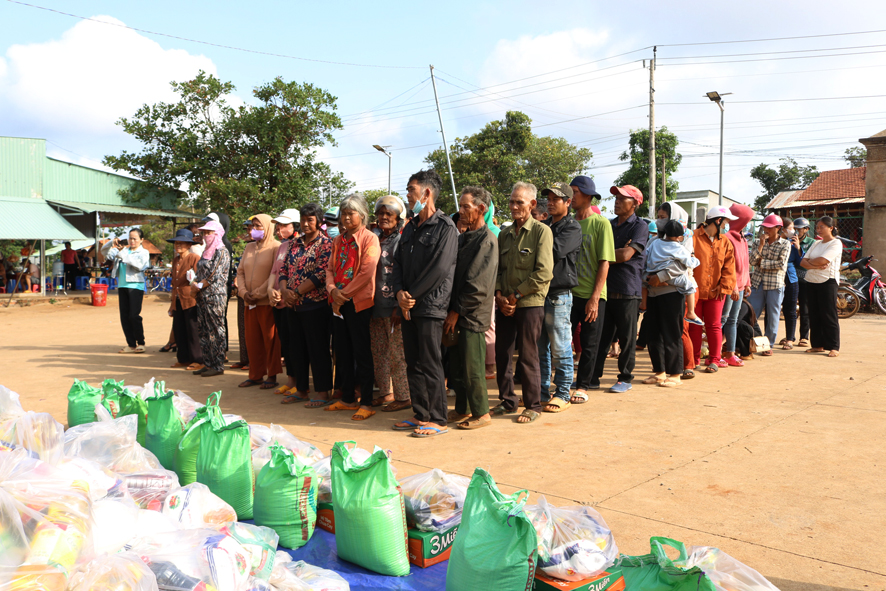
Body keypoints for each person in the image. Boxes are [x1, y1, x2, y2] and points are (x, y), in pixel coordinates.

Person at [393, 170, 459, 437]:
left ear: (426, 192)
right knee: (413, 361)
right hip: (408, 305)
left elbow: (439, 269)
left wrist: (411, 297)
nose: (408, 196)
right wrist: (399, 293)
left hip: (430, 306)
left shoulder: (446, 228)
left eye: (411, 190)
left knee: (431, 361)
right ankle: (420, 413)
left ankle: (438, 418)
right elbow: (396, 263)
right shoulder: (409, 227)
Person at [493, 181, 553, 425]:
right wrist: (499, 295)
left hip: (529, 304)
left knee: (528, 355)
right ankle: (508, 401)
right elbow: (497, 269)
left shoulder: (541, 232)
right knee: (502, 354)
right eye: (511, 201)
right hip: (505, 303)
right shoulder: (505, 234)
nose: (514, 206)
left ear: (532, 204)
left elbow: (544, 272)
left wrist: (515, 296)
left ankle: (533, 404)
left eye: (520, 202)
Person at [323, 194, 381, 421]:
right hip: (338, 303)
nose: (346, 218)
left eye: (351, 213)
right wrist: (332, 291)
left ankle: (366, 401)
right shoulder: (338, 241)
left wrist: (343, 295)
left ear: (362, 215)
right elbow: (329, 269)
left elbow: (367, 271)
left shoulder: (370, 239)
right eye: (344, 214)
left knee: (362, 353)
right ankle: (347, 398)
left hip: (358, 304)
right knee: (342, 352)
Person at [445, 186, 498, 430]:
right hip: (456, 313)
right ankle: (463, 410)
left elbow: (478, 286)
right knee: (457, 366)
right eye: (461, 206)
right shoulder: (464, 237)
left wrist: (456, 311)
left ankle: (482, 412)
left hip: (472, 315)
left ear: (482, 209)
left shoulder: (487, 240)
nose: (461, 211)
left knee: (473, 367)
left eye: (466, 206)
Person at [591, 185, 650, 393]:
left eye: (622, 198)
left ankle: (625, 378)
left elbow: (626, 255)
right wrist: (617, 252)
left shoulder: (640, 227)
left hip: (628, 290)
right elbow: (596, 253)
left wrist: (604, 256)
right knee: (601, 338)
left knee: (626, 338)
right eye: (615, 197)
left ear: (635, 204)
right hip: (606, 290)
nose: (616, 201)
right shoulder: (608, 224)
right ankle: (592, 377)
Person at [276, 203, 335, 407]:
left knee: (317, 350)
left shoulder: (326, 244)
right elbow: (283, 269)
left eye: (310, 219)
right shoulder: (294, 244)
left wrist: (298, 292)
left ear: (319, 222)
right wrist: (284, 291)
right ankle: (300, 389)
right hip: (293, 305)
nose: (306, 223)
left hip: (315, 306)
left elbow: (321, 273)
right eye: (303, 219)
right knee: (296, 349)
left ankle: (322, 392)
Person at [568, 175, 614, 404]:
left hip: (592, 295)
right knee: (562, 340)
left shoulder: (601, 223)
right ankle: (565, 382)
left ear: (587, 196)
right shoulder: (568, 222)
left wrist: (595, 297)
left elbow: (604, 261)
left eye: (574, 192)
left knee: (589, 342)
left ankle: (583, 385)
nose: (571, 196)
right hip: (569, 293)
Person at [535, 183, 580, 412]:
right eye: (549, 198)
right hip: (540, 293)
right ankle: (543, 392)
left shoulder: (572, 228)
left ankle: (562, 392)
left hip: (559, 295)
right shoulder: (543, 225)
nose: (551, 202)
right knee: (540, 347)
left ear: (568, 202)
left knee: (561, 347)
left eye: (556, 199)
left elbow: (552, 252)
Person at [369, 196, 412, 412]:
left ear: (399, 218)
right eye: (380, 213)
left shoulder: (402, 241)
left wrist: (398, 305)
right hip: (375, 306)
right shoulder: (374, 240)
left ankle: (404, 396)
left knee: (397, 355)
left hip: (393, 307)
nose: (384, 217)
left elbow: (405, 274)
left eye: (389, 214)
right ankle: (386, 392)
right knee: (379, 352)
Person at [687, 206, 737, 372]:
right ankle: (693, 360)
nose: (727, 226)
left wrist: (723, 287)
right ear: (718, 220)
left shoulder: (725, 243)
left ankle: (714, 359)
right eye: (726, 222)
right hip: (693, 292)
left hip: (716, 292)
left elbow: (729, 268)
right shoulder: (692, 237)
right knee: (693, 326)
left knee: (714, 326)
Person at [235, 214, 282, 389]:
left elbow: (275, 273)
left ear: (268, 227)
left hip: (266, 302)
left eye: (258, 226)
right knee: (252, 340)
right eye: (253, 226)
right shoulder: (248, 247)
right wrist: (243, 292)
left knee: (270, 339)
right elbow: (240, 272)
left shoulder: (276, 247)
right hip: (249, 302)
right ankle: (255, 375)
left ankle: (272, 375)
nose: (254, 229)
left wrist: (258, 293)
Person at [266, 209, 301, 396]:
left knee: (296, 344)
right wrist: (270, 290)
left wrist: (284, 292)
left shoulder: (300, 245)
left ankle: (300, 382)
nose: (279, 229)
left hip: (292, 301)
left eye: (284, 225)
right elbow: (274, 272)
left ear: (295, 226)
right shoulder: (282, 247)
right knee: (285, 343)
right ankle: (290, 380)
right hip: (278, 302)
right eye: (278, 225)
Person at [191, 220, 231, 377]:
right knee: (204, 330)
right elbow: (201, 272)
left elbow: (214, 275)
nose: (206, 235)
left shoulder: (221, 251)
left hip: (215, 297)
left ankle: (218, 364)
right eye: (204, 233)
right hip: (202, 296)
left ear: (217, 233)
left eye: (209, 232)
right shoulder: (206, 251)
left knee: (216, 329)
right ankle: (208, 363)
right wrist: (194, 282)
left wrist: (199, 285)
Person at [748, 214, 791, 352]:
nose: (766, 230)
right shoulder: (757, 242)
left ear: (778, 228)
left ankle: (768, 345)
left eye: (769, 227)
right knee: (750, 313)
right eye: (764, 227)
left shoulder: (785, 244)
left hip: (775, 285)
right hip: (757, 283)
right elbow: (752, 261)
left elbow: (780, 263)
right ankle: (751, 340)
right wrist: (761, 245)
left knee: (773, 316)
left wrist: (762, 262)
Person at [801, 217, 842, 357]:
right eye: (817, 227)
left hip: (827, 282)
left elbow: (824, 260)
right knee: (814, 314)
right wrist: (817, 265)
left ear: (831, 228)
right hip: (811, 281)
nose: (818, 229)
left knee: (829, 315)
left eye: (822, 226)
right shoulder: (816, 243)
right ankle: (817, 345)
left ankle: (834, 346)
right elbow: (803, 262)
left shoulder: (836, 243)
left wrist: (813, 263)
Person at [720, 204, 754, 367]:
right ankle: (714, 353)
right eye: (746, 221)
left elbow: (745, 264)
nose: (747, 224)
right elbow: (727, 265)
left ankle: (730, 353)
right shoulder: (727, 238)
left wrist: (747, 282)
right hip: (729, 287)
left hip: (740, 287)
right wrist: (733, 286)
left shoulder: (743, 239)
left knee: (732, 320)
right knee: (722, 320)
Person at [107, 229, 151, 354]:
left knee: (134, 315)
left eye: (135, 238)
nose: (132, 241)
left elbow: (139, 265)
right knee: (124, 316)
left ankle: (141, 342)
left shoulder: (144, 252)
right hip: (122, 285)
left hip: (136, 285)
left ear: (141, 240)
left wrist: (122, 255)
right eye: (130, 238)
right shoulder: (123, 250)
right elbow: (106, 253)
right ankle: (131, 344)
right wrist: (111, 242)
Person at [166, 228, 203, 371]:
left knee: (193, 330)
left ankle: (197, 359)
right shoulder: (175, 260)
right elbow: (174, 283)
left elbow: (198, 278)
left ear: (189, 245)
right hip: (178, 298)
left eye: (182, 243)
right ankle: (183, 358)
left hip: (190, 298)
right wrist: (171, 304)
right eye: (176, 243)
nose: (178, 246)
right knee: (179, 329)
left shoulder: (194, 258)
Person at [231, 218, 254, 371]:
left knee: (256, 330)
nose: (249, 231)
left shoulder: (272, 247)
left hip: (259, 293)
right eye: (248, 228)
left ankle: (255, 361)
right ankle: (244, 359)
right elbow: (240, 269)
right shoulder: (248, 247)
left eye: (253, 228)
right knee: (243, 326)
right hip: (244, 292)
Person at [779, 219, 803, 351]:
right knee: (773, 310)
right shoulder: (773, 242)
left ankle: (790, 339)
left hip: (791, 279)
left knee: (790, 310)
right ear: (782, 229)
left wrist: (798, 248)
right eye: (792, 227)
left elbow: (800, 262)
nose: (794, 230)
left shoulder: (793, 244)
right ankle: (767, 338)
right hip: (775, 278)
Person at [793, 217, 814, 348]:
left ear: (806, 229)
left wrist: (798, 247)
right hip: (791, 279)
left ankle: (804, 337)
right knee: (790, 309)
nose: (796, 231)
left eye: (799, 229)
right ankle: (790, 337)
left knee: (805, 308)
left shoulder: (811, 242)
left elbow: (808, 259)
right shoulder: (789, 240)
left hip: (805, 279)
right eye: (795, 228)